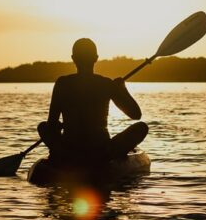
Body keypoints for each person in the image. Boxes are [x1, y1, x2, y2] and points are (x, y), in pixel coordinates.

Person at [37, 38, 148, 166]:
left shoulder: (62, 83)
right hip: (100, 151)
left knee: (42, 127)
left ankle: (61, 155)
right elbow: (136, 114)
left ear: (73, 58)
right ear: (96, 58)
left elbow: (51, 124)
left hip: (69, 149)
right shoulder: (106, 84)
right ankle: (105, 157)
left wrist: (62, 127)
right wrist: (123, 90)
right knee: (141, 127)